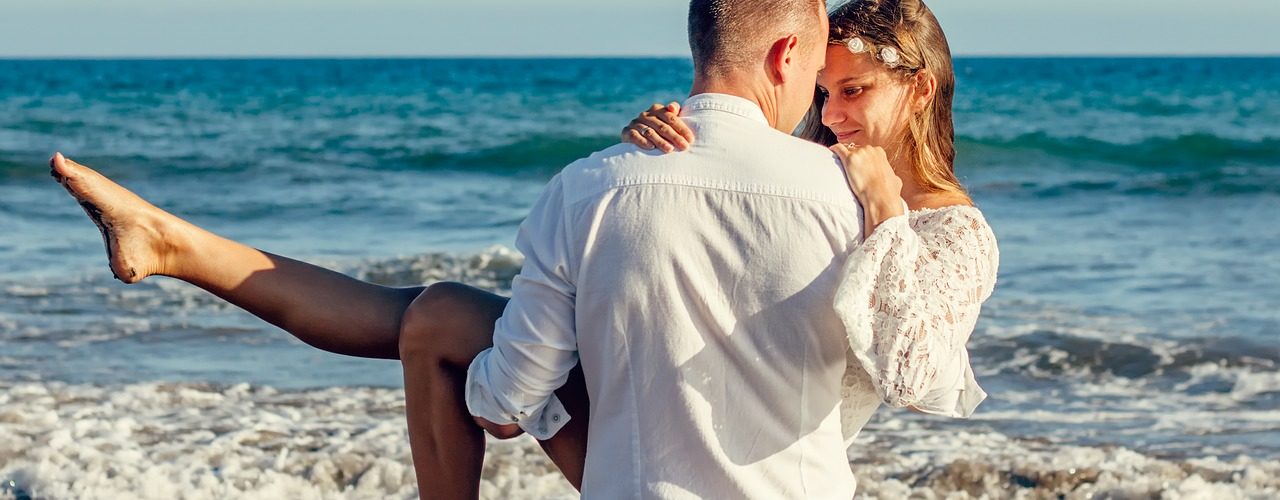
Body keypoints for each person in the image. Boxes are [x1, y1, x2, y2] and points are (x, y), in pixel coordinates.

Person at [48, 0, 995, 498]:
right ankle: (173, 244)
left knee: (434, 320)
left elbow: (915, 370)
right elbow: (727, 206)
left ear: (917, 93)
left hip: (687, 463)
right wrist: (674, 149)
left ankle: (175, 243)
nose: (830, 118)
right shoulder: (816, 178)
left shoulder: (928, 223)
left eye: (854, 96)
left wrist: (882, 211)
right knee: (431, 315)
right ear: (793, 63)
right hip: (714, 455)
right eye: (826, 93)